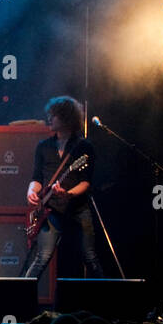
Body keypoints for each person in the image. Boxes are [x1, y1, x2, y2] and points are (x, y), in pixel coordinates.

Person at [25, 95, 103, 279]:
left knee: (90, 258)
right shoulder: (43, 146)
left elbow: (86, 182)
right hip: (50, 210)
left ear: (66, 117)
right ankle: (21, 300)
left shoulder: (83, 147)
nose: (49, 119)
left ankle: (108, 303)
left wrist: (68, 194)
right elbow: (37, 177)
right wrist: (31, 191)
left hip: (78, 209)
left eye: (54, 115)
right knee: (41, 258)